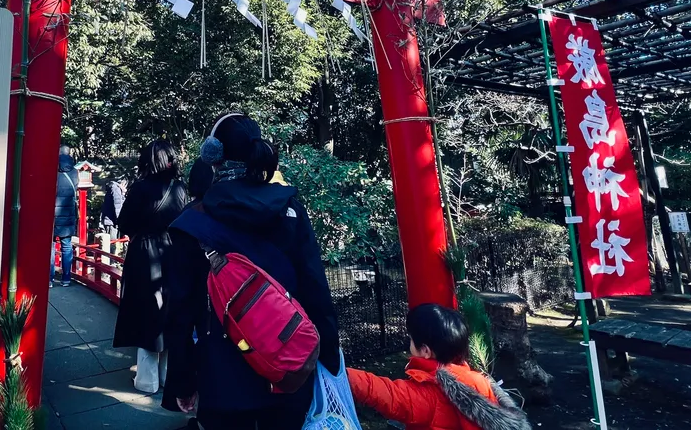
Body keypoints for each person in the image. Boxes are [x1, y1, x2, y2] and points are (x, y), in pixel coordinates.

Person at [163, 112, 340, 430]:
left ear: (212, 156)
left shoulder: (191, 224)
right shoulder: (291, 210)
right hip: (290, 368)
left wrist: (182, 380)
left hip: (221, 377)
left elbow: (178, 313)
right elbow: (315, 288)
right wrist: (327, 357)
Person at [347, 304, 531, 430]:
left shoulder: (430, 393)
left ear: (425, 351)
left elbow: (382, 391)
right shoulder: (478, 380)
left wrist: (341, 372)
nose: (409, 343)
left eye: (411, 339)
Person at [113, 140, 188, 394]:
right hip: (173, 252)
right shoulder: (180, 188)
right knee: (168, 313)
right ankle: (166, 376)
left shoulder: (141, 189)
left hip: (145, 253)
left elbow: (123, 223)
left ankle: (147, 380)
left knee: (146, 313)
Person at [52, 147, 80, 287]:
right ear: (69, 154)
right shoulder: (75, 172)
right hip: (68, 212)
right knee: (66, 246)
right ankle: (66, 279)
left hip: (52, 214)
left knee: (50, 247)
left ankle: (49, 278)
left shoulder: (52, 169)